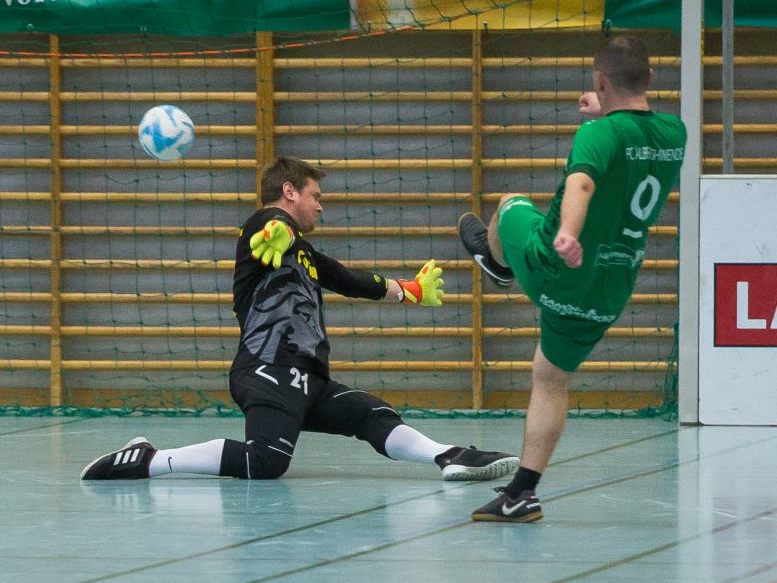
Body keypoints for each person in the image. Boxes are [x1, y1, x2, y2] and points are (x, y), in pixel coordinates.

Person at [82, 156, 518, 482]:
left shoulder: (301, 251)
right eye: (316, 196)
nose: (321, 207)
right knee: (265, 462)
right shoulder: (264, 230)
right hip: (267, 369)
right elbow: (269, 226)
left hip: (309, 378)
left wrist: (408, 290)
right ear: (290, 191)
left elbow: (348, 279)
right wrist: (277, 230)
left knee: (373, 414)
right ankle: (148, 459)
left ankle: (449, 456)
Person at [458, 36, 687, 522]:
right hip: (610, 287)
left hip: (555, 263)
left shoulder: (596, 136)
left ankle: (498, 264)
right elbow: (633, 138)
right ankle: (522, 493)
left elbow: (582, 182)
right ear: (649, 78)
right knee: (550, 378)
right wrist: (606, 110)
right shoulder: (675, 133)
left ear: (599, 79)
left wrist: (566, 233)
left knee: (511, 203)